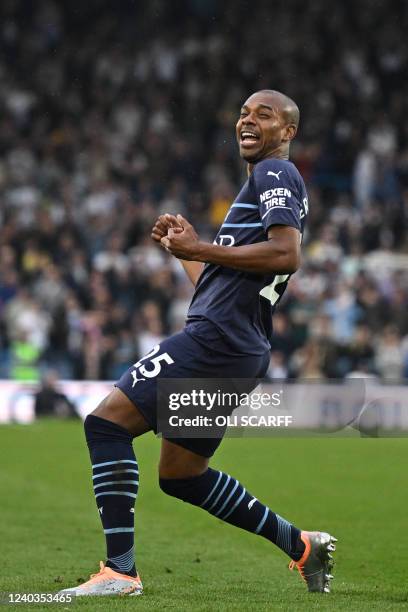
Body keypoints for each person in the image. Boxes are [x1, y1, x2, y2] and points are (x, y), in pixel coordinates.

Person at [60, 90, 336, 597]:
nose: (247, 121)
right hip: (238, 346)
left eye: (264, 115)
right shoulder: (263, 184)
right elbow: (226, 283)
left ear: (288, 133)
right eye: (244, 113)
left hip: (215, 343)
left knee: (105, 425)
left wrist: (198, 246)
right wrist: (184, 252)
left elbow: (286, 254)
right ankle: (301, 545)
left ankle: (119, 573)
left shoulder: (275, 174)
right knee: (183, 475)